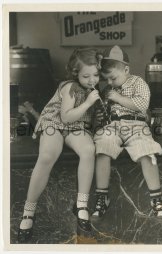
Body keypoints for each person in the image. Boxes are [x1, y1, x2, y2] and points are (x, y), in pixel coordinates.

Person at [17, 47, 101, 243]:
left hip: (76, 126)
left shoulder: (93, 90)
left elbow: (81, 119)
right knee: (47, 155)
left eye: (95, 75)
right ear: (75, 73)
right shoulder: (69, 86)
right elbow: (65, 116)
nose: (92, 80)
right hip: (55, 123)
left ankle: (81, 206)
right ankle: (28, 212)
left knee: (89, 150)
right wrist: (88, 103)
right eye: (86, 75)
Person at [92, 45, 162, 220]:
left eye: (113, 78)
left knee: (147, 151)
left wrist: (118, 98)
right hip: (113, 126)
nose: (109, 83)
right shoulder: (108, 90)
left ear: (126, 69)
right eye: (106, 80)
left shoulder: (138, 82)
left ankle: (156, 199)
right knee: (103, 147)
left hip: (136, 125)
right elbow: (102, 111)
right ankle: (102, 197)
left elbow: (142, 105)